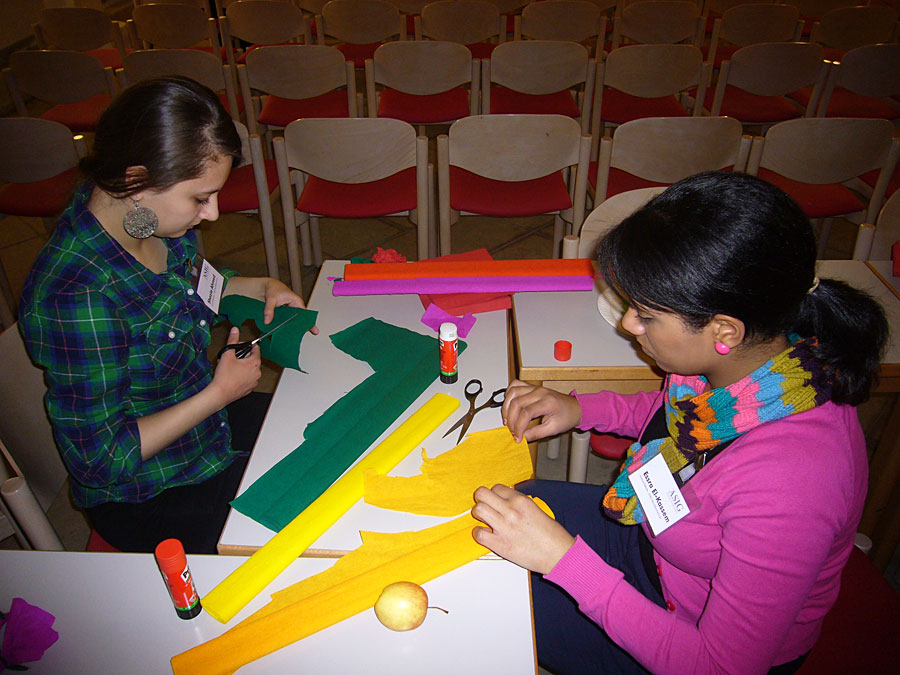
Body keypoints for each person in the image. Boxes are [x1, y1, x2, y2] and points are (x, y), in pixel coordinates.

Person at [471, 172, 889, 674]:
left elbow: (719, 666)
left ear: (724, 330)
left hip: (683, 635)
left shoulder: (793, 483)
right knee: (485, 515)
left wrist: (564, 563)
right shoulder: (746, 367)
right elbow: (672, 419)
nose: (628, 324)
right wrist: (582, 409)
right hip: (655, 545)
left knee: (484, 606)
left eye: (646, 315)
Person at [18, 76, 316, 554]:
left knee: (324, 425)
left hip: (203, 427)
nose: (212, 213)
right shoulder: (76, 295)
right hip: (151, 494)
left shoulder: (143, 220)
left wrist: (257, 286)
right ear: (137, 181)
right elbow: (101, 461)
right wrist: (220, 393)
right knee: (318, 509)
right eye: (200, 198)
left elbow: (192, 287)